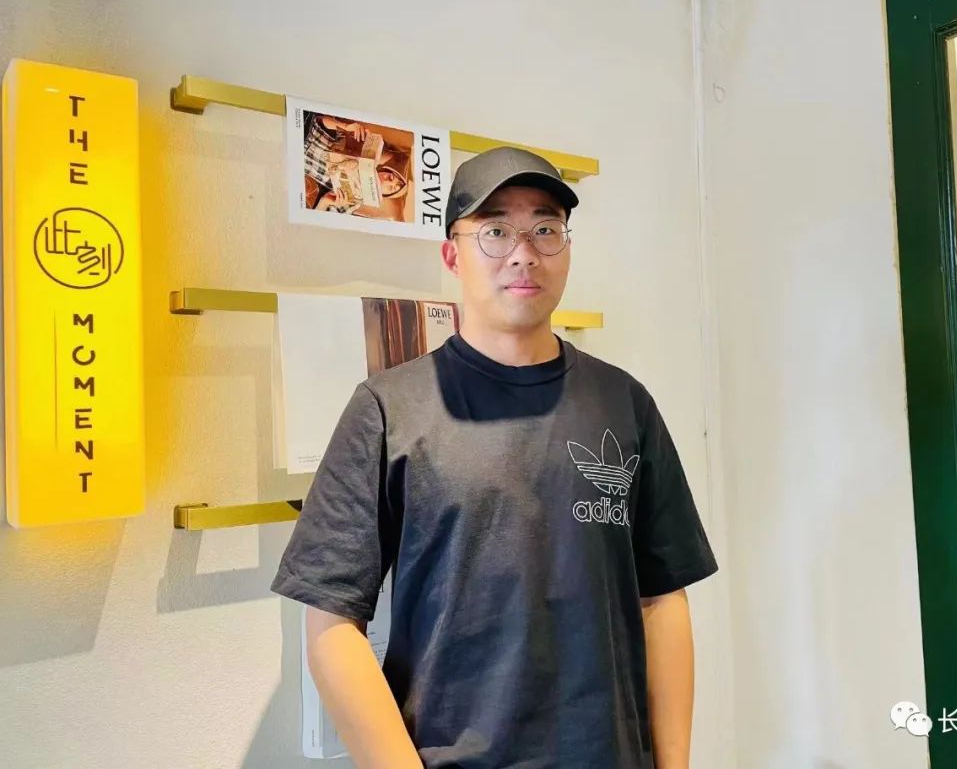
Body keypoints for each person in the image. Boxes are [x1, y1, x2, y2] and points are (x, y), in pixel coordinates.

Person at [271, 146, 718, 769]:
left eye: (545, 229)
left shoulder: (623, 403)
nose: (523, 253)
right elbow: (331, 622)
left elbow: (662, 597)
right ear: (452, 255)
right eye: (496, 231)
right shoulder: (389, 409)